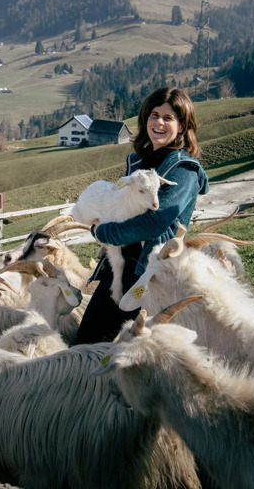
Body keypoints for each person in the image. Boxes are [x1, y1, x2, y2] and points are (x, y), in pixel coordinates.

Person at [75, 86, 209, 344]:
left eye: (169, 118)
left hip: (152, 275)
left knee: (129, 347)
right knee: (89, 340)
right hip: (122, 269)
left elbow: (154, 222)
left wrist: (102, 232)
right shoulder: (138, 163)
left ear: (182, 126)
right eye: (154, 115)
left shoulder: (184, 170)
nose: (159, 122)